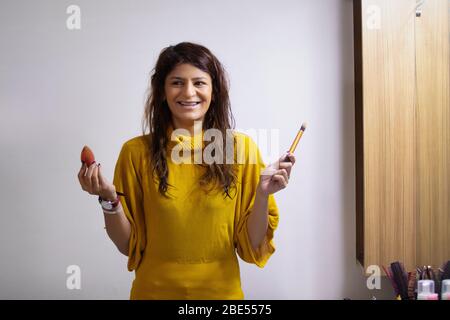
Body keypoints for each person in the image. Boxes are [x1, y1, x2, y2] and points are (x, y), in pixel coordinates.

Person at [77, 42, 296, 299]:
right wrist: (108, 199)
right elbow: (128, 246)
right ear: (162, 91)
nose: (189, 92)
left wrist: (262, 194)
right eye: (177, 82)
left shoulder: (241, 149)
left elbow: (252, 244)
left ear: (214, 91)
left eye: (200, 83)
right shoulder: (135, 152)